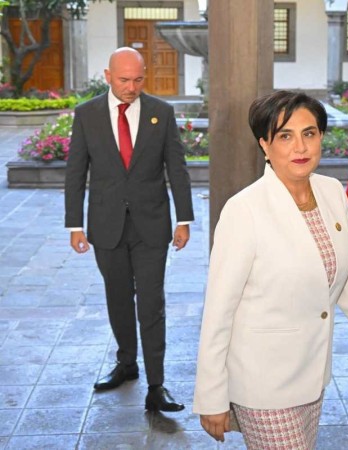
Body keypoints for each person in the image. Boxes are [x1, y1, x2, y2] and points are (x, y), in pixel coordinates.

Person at [193, 90, 348, 448]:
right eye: (285, 136)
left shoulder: (331, 192)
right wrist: (212, 395)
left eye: (309, 133)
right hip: (263, 384)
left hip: (311, 377)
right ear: (264, 144)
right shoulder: (244, 210)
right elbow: (219, 311)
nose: (301, 147)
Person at [65, 47, 194, 412]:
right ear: (108, 75)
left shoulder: (161, 113)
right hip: (106, 226)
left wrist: (184, 220)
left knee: (151, 303)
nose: (131, 87)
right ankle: (126, 364)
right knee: (118, 299)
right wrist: (75, 225)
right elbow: (76, 173)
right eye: (123, 80)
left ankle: (157, 385)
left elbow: (177, 169)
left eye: (138, 79)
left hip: (152, 226)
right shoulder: (87, 114)